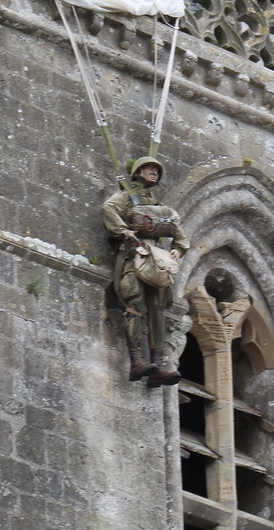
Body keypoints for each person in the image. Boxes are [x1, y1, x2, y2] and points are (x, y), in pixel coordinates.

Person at [102, 157, 189, 386]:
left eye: (156, 170)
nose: (153, 172)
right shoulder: (127, 197)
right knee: (135, 304)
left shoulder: (160, 206)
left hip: (158, 260)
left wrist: (179, 249)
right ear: (139, 172)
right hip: (136, 256)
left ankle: (158, 366)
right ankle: (136, 361)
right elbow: (109, 208)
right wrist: (125, 232)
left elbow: (179, 233)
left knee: (158, 309)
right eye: (149, 169)